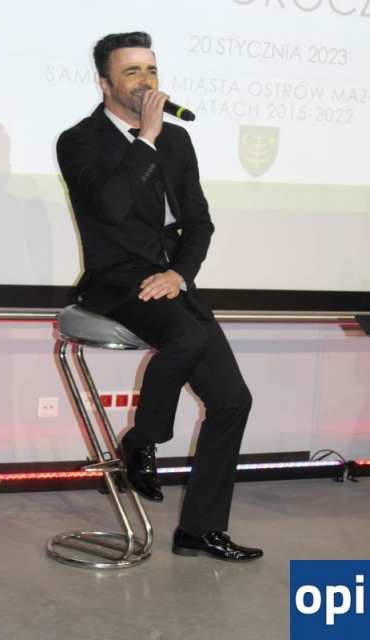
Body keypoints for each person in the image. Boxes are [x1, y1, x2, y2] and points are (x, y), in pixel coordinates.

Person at [57, 31, 263, 562]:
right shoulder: (79, 141)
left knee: (233, 400)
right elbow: (110, 207)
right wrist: (145, 138)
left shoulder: (179, 139)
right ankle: (142, 440)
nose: (145, 81)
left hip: (170, 281)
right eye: (131, 72)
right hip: (116, 281)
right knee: (188, 338)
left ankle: (199, 529)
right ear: (105, 84)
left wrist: (180, 274)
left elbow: (199, 222)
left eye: (151, 70)